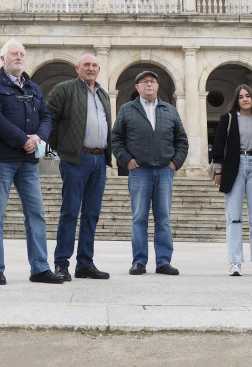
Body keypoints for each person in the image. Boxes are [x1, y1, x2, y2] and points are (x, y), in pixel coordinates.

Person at [0, 41, 63, 285]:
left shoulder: (33, 87)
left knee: (36, 213)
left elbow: (46, 117)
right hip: (0, 159)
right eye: (14, 53)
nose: (19, 57)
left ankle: (40, 268)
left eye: (22, 54)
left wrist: (37, 138)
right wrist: (22, 140)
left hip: (28, 161)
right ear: (2, 59)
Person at [111, 70, 189, 276]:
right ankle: (139, 261)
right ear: (137, 87)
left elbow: (181, 140)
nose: (149, 85)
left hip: (165, 170)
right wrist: (126, 160)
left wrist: (175, 163)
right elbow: (116, 139)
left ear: (157, 86)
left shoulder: (170, 110)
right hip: (139, 171)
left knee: (163, 217)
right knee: (139, 217)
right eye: (144, 81)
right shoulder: (127, 110)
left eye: (152, 82)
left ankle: (163, 262)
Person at [47, 53, 112, 281]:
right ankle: (61, 263)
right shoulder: (64, 89)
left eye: (95, 65)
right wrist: (61, 147)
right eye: (86, 65)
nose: (91, 68)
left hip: (99, 159)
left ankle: (85, 263)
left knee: (91, 214)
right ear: (77, 68)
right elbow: (49, 119)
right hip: (76, 159)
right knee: (70, 211)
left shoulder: (103, 94)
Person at [211, 84, 252, 277]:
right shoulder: (228, 119)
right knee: (234, 217)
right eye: (241, 97)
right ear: (236, 100)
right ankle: (235, 262)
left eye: (248, 96)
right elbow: (218, 146)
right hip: (235, 167)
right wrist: (218, 171)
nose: (245, 99)